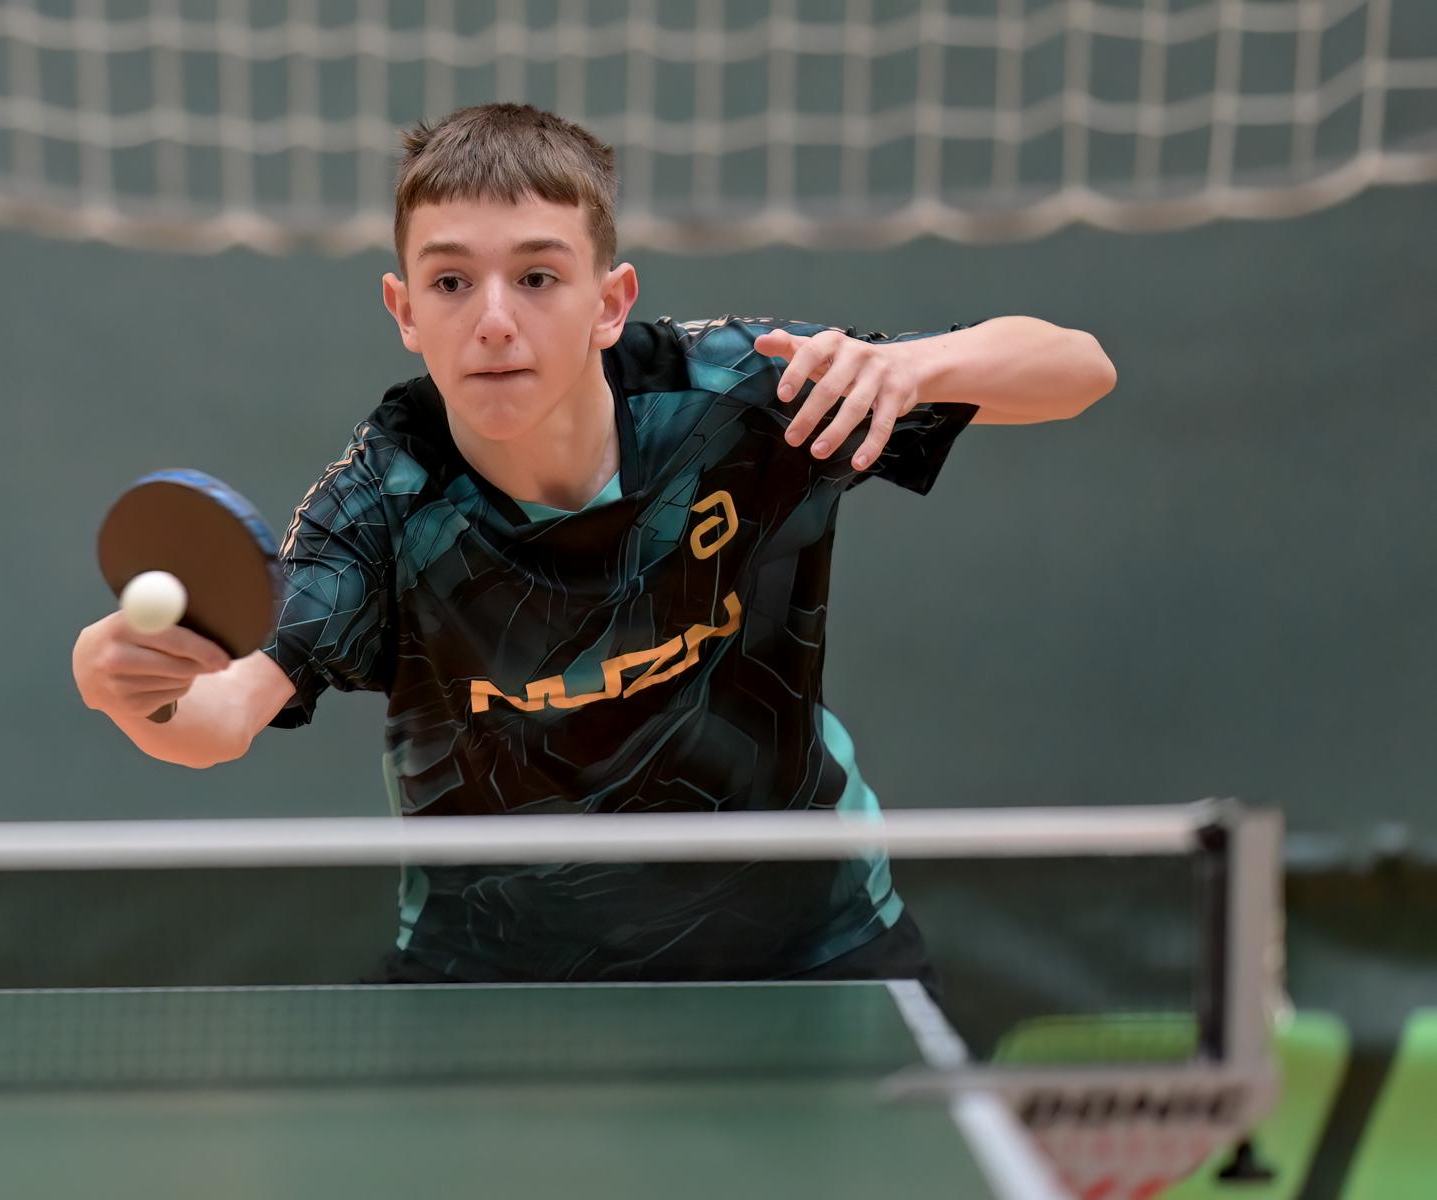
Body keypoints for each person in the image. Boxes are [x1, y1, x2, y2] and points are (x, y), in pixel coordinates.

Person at [72, 103, 1116, 987]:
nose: (494, 320)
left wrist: (917, 368)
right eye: (450, 283)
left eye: (537, 277)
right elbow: (219, 718)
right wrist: (121, 681)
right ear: (404, 310)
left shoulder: (741, 398)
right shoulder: (380, 506)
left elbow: (1078, 368)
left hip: (809, 945)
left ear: (610, 302)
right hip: (496, 982)